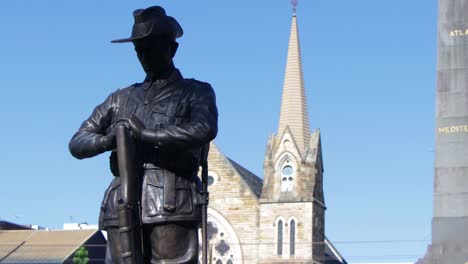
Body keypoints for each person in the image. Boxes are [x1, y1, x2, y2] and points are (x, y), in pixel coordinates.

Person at [69, 6, 218, 263]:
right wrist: (108, 140)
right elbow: (78, 142)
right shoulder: (120, 99)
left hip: (171, 203)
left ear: (172, 49)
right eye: (139, 51)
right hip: (122, 202)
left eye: (151, 49)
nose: (144, 57)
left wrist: (146, 134)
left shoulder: (196, 91)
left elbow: (203, 129)